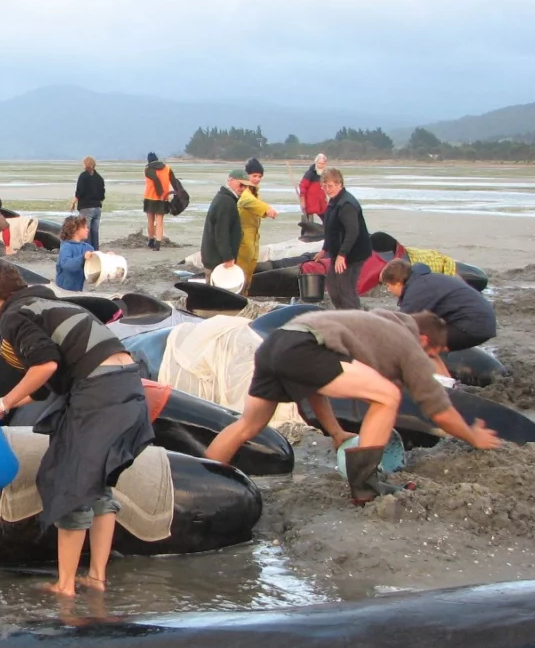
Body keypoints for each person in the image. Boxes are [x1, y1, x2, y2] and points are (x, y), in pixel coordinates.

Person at [0, 261, 153, 596]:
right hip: (128, 383)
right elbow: (48, 383)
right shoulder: (53, 303)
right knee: (98, 485)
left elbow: (44, 363)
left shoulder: (13, 316)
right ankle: (96, 578)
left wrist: (2, 403)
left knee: (68, 481)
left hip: (99, 391)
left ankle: (65, 586)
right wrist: (6, 404)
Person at [202, 309, 500, 503]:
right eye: (438, 352)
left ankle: (205, 481)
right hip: (303, 346)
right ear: (424, 340)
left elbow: (314, 386)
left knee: (248, 426)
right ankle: (365, 486)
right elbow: (440, 412)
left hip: (275, 343)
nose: (436, 358)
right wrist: (474, 437)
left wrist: (336, 432)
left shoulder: (371, 324)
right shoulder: (409, 347)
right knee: (387, 397)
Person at [381, 258, 496, 352]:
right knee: (427, 339)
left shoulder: (418, 289)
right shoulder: (426, 280)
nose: (389, 290)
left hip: (473, 326)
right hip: (484, 321)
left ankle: (437, 379)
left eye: (388, 285)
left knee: (425, 345)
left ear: (397, 282)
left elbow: (402, 325)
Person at [314, 168, 371, 309]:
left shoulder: (346, 204)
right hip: (338, 252)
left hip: (353, 254)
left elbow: (352, 231)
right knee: (333, 286)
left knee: (346, 289)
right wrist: (324, 249)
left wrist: (342, 255)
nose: (328, 189)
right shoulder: (334, 201)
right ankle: (342, 315)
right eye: (324, 186)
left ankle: (356, 320)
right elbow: (331, 230)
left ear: (340, 184)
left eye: (331, 186)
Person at [236, 169, 278, 292]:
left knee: (250, 269)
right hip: (244, 235)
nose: (257, 179)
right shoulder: (245, 192)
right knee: (241, 270)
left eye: (259, 176)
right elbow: (247, 201)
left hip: (254, 235)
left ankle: (245, 295)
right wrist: (267, 209)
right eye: (254, 176)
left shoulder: (255, 192)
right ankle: (238, 295)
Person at [200, 169, 246, 278]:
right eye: (241, 184)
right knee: (215, 291)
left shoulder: (226, 198)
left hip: (215, 257)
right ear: (230, 180)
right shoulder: (226, 202)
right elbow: (221, 231)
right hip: (217, 260)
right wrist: (227, 256)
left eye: (246, 186)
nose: (243, 188)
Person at [142, 153, 179, 250]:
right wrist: (179, 192)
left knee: (150, 220)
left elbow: (155, 180)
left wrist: (160, 193)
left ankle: (151, 241)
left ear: (149, 160)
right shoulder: (167, 168)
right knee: (160, 222)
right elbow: (174, 181)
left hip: (150, 197)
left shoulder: (147, 169)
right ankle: (158, 243)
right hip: (163, 198)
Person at [55, 214, 98, 291]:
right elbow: (66, 264)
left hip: (78, 288)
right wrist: (82, 258)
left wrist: (107, 257)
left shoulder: (88, 248)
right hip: (63, 289)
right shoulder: (66, 247)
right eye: (84, 227)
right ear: (75, 230)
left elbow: (96, 262)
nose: (87, 229)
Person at [70, 156, 105, 250]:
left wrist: (73, 202)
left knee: (85, 231)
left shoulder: (83, 176)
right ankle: (95, 250)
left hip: (86, 207)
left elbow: (79, 191)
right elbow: (102, 195)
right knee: (95, 231)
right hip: (97, 207)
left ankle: (87, 251)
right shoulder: (99, 178)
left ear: (85, 165)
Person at [297, 153, 328, 231]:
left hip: (321, 202)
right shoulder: (309, 173)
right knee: (307, 222)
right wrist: (302, 200)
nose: (321, 165)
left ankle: (325, 234)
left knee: (327, 219)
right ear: (316, 163)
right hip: (310, 202)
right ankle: (304, 235)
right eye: (319, 163)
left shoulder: (324, 174)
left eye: (323, 164)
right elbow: (303, 186)